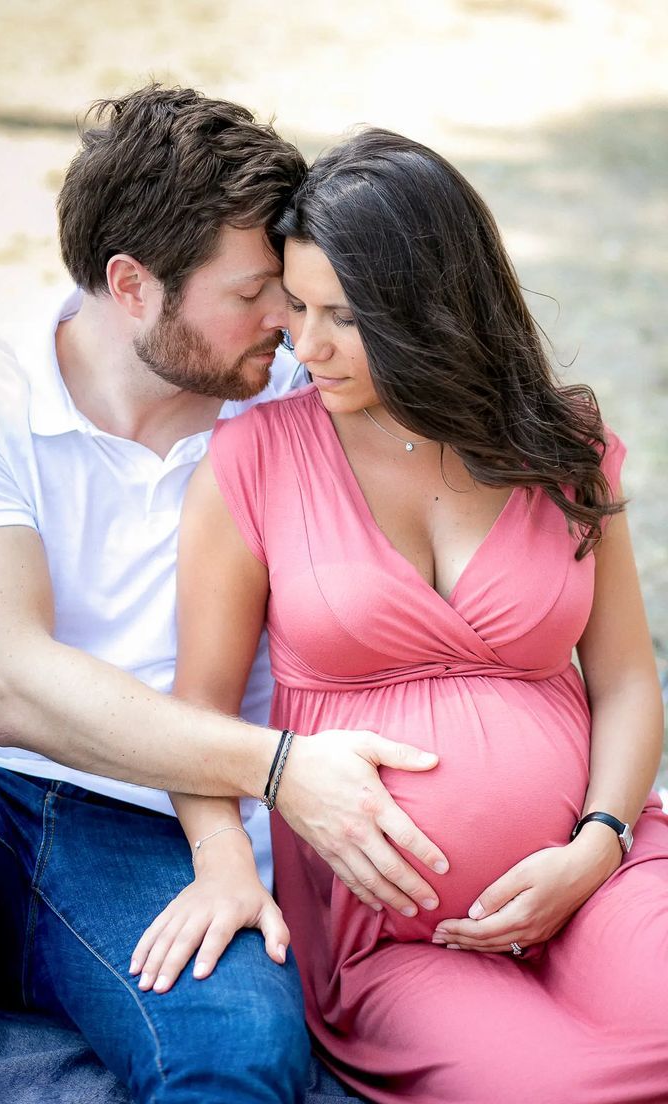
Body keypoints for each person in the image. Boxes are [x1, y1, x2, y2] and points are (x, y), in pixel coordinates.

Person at [0, 91, 450, 1104]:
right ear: (131, 286)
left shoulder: (303, 392)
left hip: (165, 838)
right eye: (255, 292)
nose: (286, 324)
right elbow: (9, 685)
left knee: (243, 1055)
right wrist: (285, 767)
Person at [132, 129, 668, 1102]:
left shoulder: (563, 444)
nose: (307, 345)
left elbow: (627, 678)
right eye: (296, 307)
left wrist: (598, 842)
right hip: (400, 937)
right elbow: (198, 714)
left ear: (433, 308)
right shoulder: (255, 459)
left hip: (600, 880)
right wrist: (220, 861)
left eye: (344, 315)